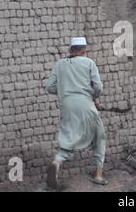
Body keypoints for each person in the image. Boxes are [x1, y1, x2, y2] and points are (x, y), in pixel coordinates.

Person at [45, 37, 107, 189]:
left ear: (70, 50)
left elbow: (49, 87)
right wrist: (92, 95)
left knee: (69, 136)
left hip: (66, 105)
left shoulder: (59, 64)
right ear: (84, 51)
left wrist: (65, 90)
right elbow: (98, 87)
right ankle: (98, 175)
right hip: (85, 103)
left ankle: (57, 162)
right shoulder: (89, 63)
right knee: (99, 136)